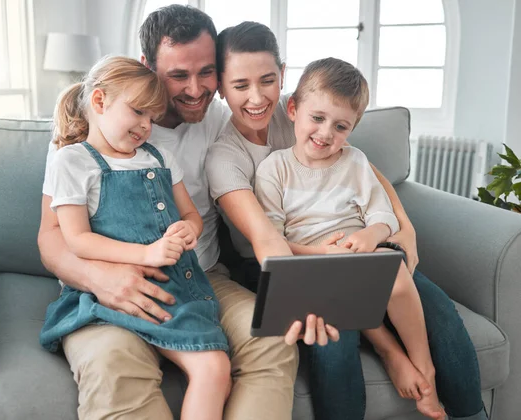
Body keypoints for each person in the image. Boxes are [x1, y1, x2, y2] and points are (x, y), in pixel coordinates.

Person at [38, 6, 329, 420]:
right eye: (178, 75)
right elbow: (51, 237)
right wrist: (100, 278)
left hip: (202, 277)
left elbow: (331, 143)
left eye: (207, 72)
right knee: (114, 367)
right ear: (148, 66)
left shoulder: (225, 121)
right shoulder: (89, 135)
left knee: (272, 337)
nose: (196, 90)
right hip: (105, 283)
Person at [206, 21, 487, 420]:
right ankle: (390, 352)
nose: (256, 97)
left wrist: (401, 230)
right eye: (239, 85)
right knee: (334, 340)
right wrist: (317, 270)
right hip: (285, 261)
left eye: (267, 80)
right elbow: (266, 239)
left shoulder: (307, 104)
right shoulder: (231, 157)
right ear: (221, 86)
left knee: (439, 312)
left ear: (282, 78)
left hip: (362, 247)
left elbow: (365, 176)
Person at [39, 55, 232, 420]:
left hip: (178, 290)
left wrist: (188, 229)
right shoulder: (72, 162)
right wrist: (147, 254)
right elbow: (77, 239)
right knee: (122, 365)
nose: (146, 126)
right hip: (107, 296)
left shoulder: (160, 157)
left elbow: (191, 215)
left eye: (151, 117)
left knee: (215, 368)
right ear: (99, 102)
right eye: (138, 112)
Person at [254, 56, 446, 419]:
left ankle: (425, 370)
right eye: (317, 118)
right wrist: (318, 252)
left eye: (340, 126)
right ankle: (395, 356)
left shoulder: (355, 161)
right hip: (309, 265)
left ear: (353, 128)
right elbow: (272, 238)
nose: (326, 134)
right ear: (293, 109)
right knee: (344, 313)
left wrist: (371, 235)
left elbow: (382, 214)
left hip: (356, 254)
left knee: (398, 277)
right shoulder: (274, 169)